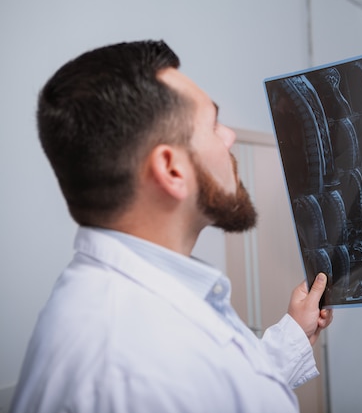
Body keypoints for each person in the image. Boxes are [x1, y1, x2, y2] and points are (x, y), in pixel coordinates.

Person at [10, 40, 332, 413]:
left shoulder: (125, 313)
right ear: (171, 170)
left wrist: (294, 332)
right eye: (213, 124)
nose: (229, 136)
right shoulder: (133, 367)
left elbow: (218, 389)